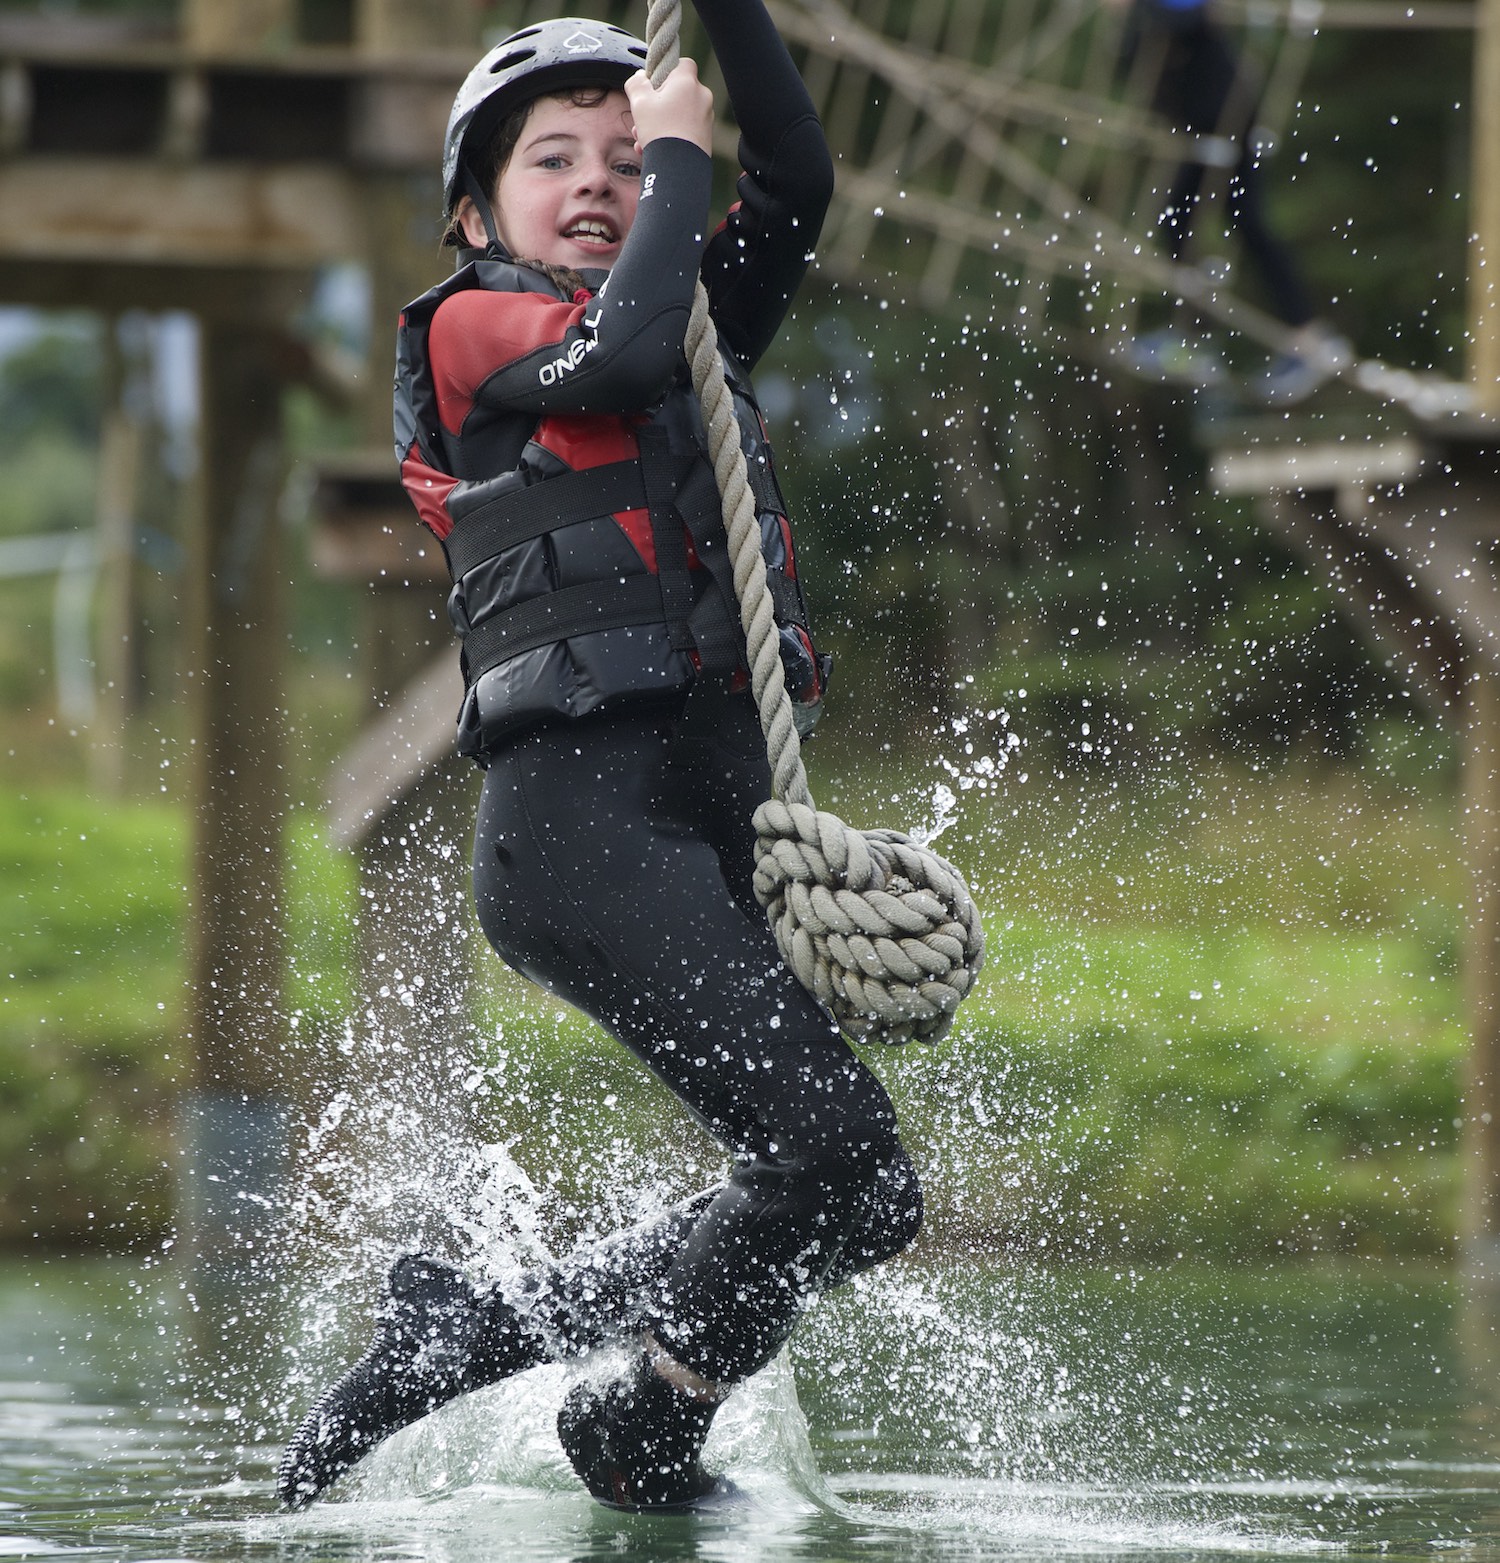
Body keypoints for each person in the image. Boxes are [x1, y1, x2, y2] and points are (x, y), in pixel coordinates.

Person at [277, 4, 924, 1513]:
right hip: (577, 834)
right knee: (825, 1144)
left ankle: (558, 1360)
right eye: (554, 159)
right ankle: (622, 1419)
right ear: (472, 211)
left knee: (866, 1188)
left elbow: (802, 181)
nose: (600, 182)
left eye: (627, 163)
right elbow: (617, 341)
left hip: (704, 816)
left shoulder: (687, 329)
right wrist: (681, 158)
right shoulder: (471, 328)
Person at [1115, 0, 1351, 399]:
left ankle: (1306, 334)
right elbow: (1133, 64)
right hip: (1201, 131)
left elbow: (1192, 14)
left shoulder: (1164, 9)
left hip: (1228, 122)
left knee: (1246, 224)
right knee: (1179, 224)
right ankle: (1193, 334)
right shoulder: (1140, 22)